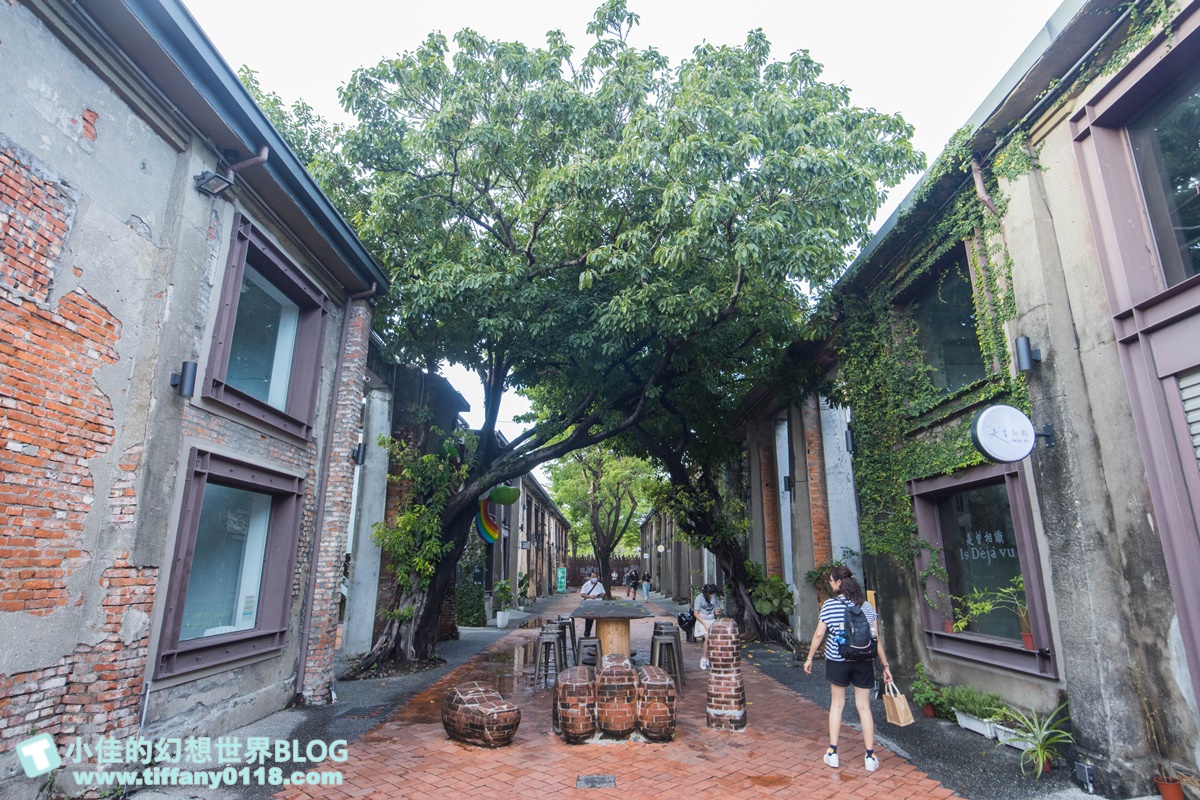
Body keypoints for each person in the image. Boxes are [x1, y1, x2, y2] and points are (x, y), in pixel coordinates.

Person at [802, 565, 893, 773]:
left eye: (832, 580)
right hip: (863, 660)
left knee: (837, 705)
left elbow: (818, 634)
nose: (830, 583)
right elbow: (875, 638)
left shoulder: (830, 605)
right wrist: (885, 665)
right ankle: (870, 756)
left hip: (838, 659)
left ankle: (833, 753)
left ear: (838, 583)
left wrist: (809, 658)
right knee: (864, 707)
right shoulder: (866, 606)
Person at [693, 584, 721, 670]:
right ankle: (703, 658)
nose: (711, 595)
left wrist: (719, 611)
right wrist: (704, 624)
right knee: (707, 637)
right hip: (702, 620)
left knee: (712, 639)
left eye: (713, 594)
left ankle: (708, 658)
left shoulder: (713, 598)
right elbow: (695, 613)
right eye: (710, 593)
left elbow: (715, 611)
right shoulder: (699, 598)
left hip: (711, 620)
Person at [579, 571, 606, 636]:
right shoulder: (586, 585)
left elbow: (603, 593)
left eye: (595, 577)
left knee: (600, 619)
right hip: (589, 604)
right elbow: (582, 594)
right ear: (590, 577)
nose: (594, 578)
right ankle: (587, 634)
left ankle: (601, 633)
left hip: (598, 603)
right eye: (593, 577)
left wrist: (600, 595)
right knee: (589, 619)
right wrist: (590, 596)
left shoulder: (599, 584)